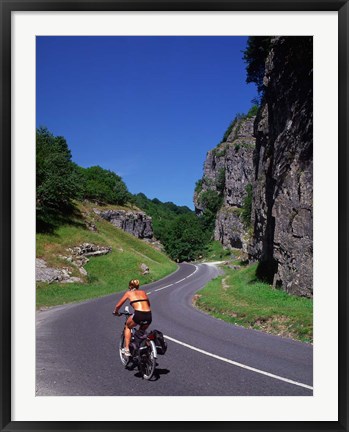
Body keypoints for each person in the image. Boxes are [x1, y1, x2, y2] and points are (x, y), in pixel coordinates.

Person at [113, 279, 152, 356]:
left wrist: (116, 312)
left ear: (130, 286)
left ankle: (127, 349)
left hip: (139, 314)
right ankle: (144, 348)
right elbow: (148, 304)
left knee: (128, 326)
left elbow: (118, 305)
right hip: (148, 315)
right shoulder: (143, 292)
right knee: (141, 332)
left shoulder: (129, 293)